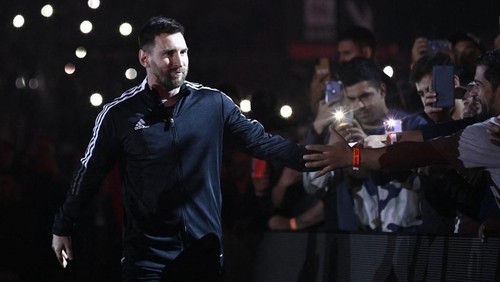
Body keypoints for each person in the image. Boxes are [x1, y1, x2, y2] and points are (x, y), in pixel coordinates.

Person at [51, 16, 314, 281]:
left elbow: (265, 143)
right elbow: (89, 173)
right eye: (168, 54)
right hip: (147, 260)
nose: (179, 62)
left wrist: (329, 157)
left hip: (203, 255)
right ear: (145, 59)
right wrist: (63, 226)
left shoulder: (214, 104)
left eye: (183, 52)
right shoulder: (119, 115)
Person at [304, 49, 500, 240]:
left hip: (417, 238)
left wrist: (353, 156)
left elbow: (413, 152)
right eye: (421, 93)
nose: (473, 92)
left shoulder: (486, 132)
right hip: (369, 237)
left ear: (382, 90)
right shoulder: (482, 129)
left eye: (478, 85)